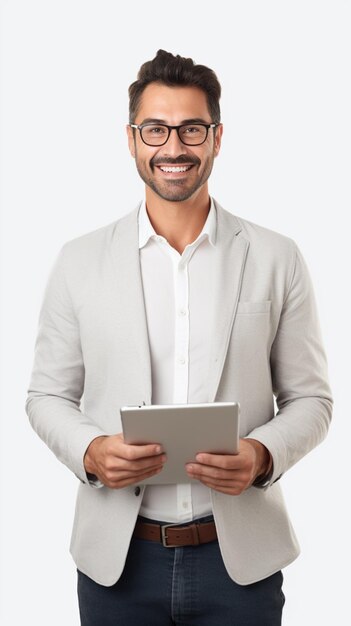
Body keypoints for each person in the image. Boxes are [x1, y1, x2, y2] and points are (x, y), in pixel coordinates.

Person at [26, 49, 332, 626]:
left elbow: (312, 399)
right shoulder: (79, 261)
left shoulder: (275, 257)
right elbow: (46, 396)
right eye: (156, 130)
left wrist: (262, 455)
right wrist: (90, 452)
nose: (173, 147)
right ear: (132, 139)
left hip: (239, 564)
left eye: (191, 129)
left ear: (216, 138)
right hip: (117, 563)